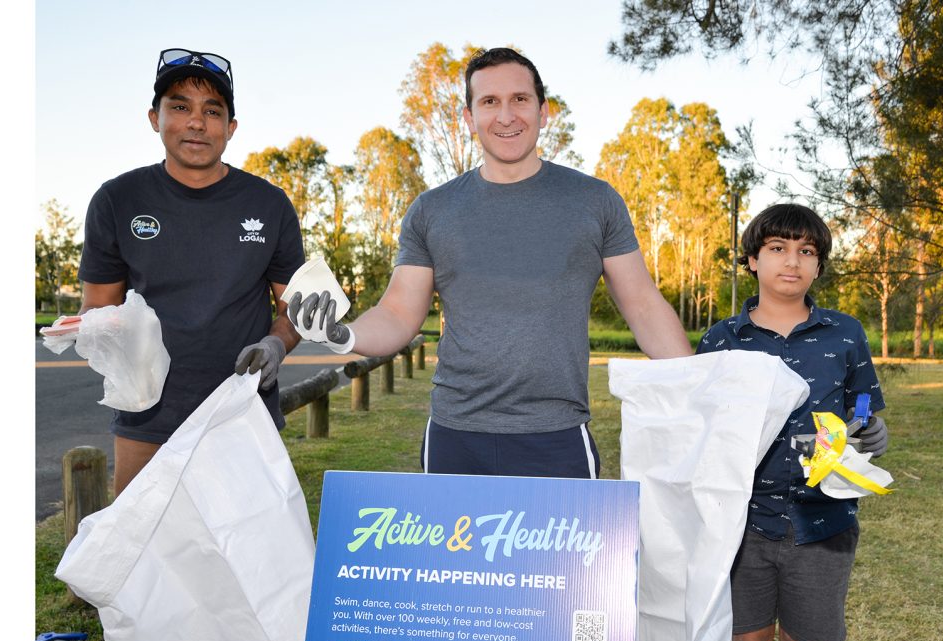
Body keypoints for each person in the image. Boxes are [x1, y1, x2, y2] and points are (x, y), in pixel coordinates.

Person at [289, 47, 691, 479]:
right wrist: (342, 334)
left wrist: (697, 388)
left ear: (544, 111)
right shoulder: (431, 210)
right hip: (455, 435)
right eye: (489, 102)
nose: (506, 116)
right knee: (446, 552)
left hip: (557, 434)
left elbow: (644, 306)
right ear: (468, 117)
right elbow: (398, 312)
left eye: (519, 99)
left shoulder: (596, 202)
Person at [77, 48, 304, 495]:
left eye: (212, 111)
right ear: (154, 117)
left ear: (230, 128)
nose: (196, 122)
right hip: (146, 419)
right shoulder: (117, 199)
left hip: (243, 412)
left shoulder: (269, 204)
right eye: (179, 106)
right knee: (140, 556)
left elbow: (293, 305)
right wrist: (100, 335)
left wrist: (276, 344)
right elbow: (96, 310)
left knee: (241, 557)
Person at [696, 203, 888, 641]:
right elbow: (698, 430)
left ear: (819, 265)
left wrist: (871, 432)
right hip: (740, 526)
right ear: (753, 260)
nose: (792, 261)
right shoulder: (722, 341)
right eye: (778, 248)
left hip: (823, 523)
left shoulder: (846, 334)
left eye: (806, 251)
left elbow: (861, 410)